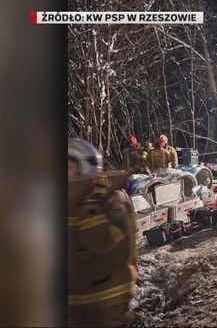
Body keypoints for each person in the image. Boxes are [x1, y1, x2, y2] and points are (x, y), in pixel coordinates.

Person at [68, 138, 137, 327]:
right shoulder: (68, 203)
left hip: (105, 302)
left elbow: (104, 245)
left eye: (68, 166)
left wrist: (91, 207)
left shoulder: (114, 200)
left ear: (86, 167)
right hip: (74, 302)